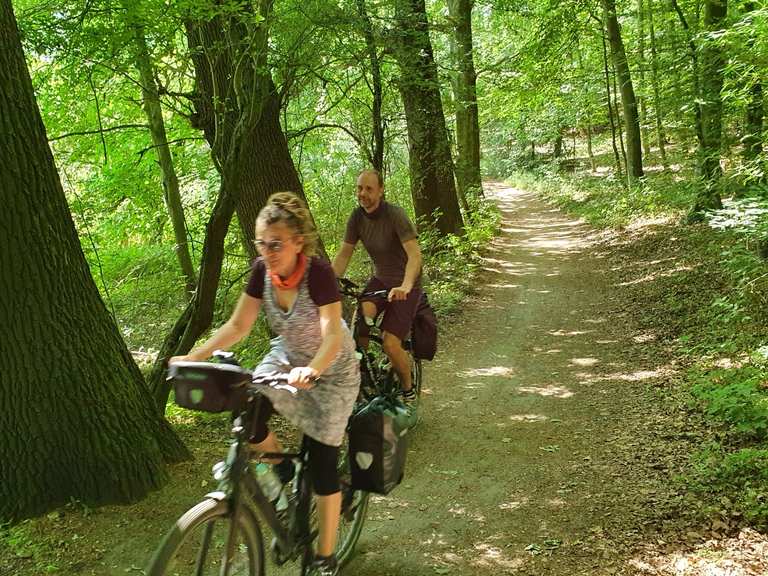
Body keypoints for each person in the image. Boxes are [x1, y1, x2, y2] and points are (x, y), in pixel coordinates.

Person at [170, 192, 359, 576]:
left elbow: (332, 335)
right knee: (247, 408)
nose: (268, 252)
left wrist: (315, 370)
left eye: (276, 244)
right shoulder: (262, 272)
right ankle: (284, 482)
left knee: (322, 463)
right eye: (261, 243)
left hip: (332, 368)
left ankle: (325, 557)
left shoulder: (318, 273)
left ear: (297, 242)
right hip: (287, 356)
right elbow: (238, 326)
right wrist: (195, 357)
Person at [332, 169, 422, 405]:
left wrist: (406, 285)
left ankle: (408, 389)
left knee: (391, 343)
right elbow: (344, 254)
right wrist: (326, 282)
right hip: (381, 280)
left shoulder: (395, 215)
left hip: (405, 283)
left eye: (369, 189)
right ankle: (365, 372)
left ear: (381, 191)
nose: (363, 194)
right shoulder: (356, 218)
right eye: (360, 188)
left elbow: (414, 255)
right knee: (358, 325)